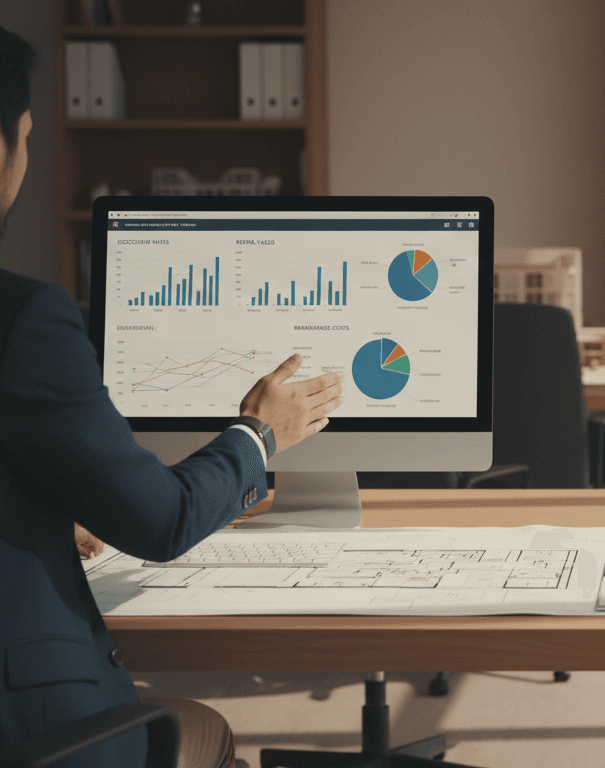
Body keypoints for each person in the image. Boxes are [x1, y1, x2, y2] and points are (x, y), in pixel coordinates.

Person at [0, 25, 345, 767]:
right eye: (24, 138)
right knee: (199, 727)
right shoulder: (23, 320)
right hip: (31, 734)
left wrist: (40, 521)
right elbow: (162, 522)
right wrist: (261, 433)